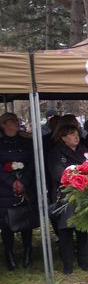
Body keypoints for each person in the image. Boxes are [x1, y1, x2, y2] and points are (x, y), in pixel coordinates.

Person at [47, 124, 88, 274]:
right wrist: (79, 174)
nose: (76, 136)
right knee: (65, 232)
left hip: (83, 193)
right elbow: (58, 174)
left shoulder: (84, 150)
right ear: (63, 137)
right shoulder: (55, 153)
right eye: (72, 134)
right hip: (66, 195)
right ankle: (68, 263)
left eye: (77, 133)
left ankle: (83, 260)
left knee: (83, 230)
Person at [0, 113, 36, 270]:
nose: (16, 122)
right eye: (12, 120)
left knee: (25, 220)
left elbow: (33, 163)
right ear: (3, 124)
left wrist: (23, 181)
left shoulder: (26, 141)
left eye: (16, 120)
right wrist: (10, 181)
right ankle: (9, 254)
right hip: (4, 187)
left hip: (24, 184)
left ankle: (28, 251)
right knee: (6, 223)